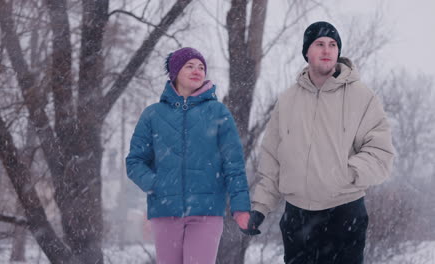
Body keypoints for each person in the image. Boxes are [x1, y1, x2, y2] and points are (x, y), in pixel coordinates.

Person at [244, 21, 395, 263]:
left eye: (333, 44)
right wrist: (261, 206)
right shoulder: (287, 100)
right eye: (320, 44)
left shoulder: (363, 97)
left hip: (344, 213)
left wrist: (344, 174)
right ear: (306, 52)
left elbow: (380, 153)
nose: (327, 50)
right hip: (297, 216)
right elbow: (272, 157)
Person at [126, 47, 251, 264]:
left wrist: (241, 206)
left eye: (201, 67)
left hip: (207, 212)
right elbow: (135, 162)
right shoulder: (153, 115)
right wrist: (156, 184)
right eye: (190, 66)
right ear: (174, 73)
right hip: (165, 211)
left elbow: (234, 163)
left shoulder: (218, 113)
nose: (197, 70)